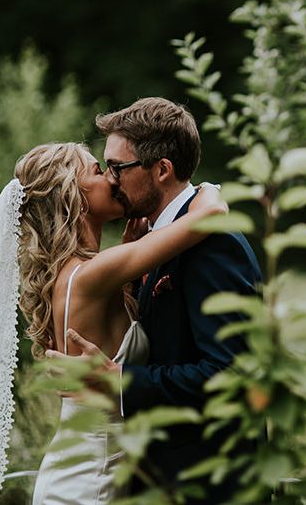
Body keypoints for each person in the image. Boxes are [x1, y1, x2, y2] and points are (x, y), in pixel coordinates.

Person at [0, 140, 227, 505]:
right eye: (98, 171)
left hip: (91, 472)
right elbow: (210, 216)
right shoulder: (92, 274)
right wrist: (207, 190)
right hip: (89, 484)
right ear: (72, 195)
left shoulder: (77, 276)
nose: (113, 178)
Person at [61, 98, 263, 502]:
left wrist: (122, 383)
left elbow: (231, 372)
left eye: (117, 167)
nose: (111, 179)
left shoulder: (214, 243)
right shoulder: (153, 241)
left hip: (209, 484)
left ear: (162, 169)